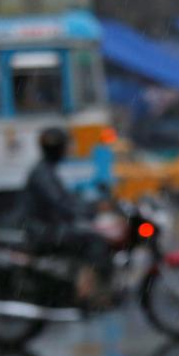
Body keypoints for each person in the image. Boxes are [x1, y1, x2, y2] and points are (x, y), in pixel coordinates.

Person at [21, 127, 112, 301]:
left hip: (49, 227)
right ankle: (86, 291)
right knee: (95, 240)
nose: (68, 150)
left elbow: (67, 199)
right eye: (66, 146)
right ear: (58, 149)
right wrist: (93, 209)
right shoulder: (42, 174)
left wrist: (91, 205)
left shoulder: (46, 170)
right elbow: (62, 203)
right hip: (44, 231)